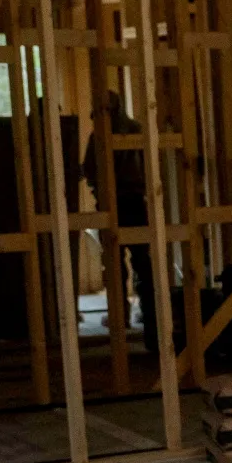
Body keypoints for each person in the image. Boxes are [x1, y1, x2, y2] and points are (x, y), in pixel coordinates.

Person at [81, 91, 159, 354]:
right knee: (142, 265)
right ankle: (151, 325)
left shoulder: (100, 136)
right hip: (136, 203)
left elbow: (88, 170)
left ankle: (122, 321)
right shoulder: (136, 130)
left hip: (115, 206)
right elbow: (151, 167)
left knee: (116, 266)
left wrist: (100, 187)